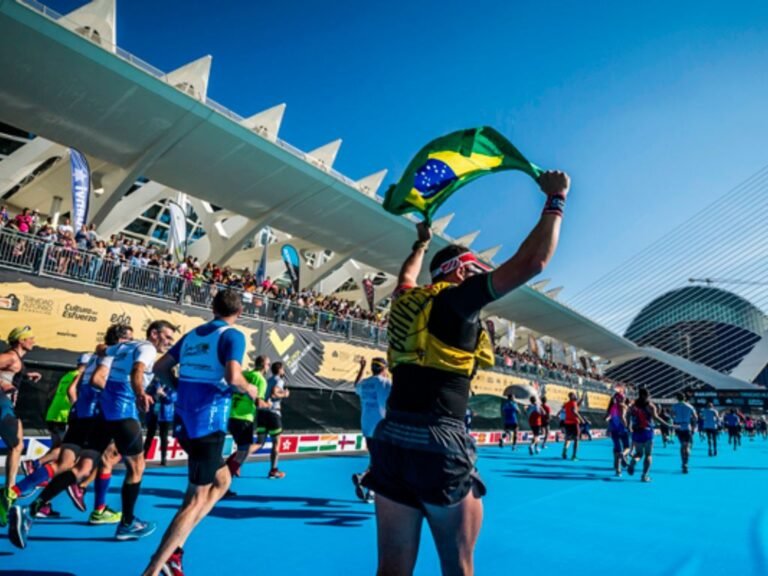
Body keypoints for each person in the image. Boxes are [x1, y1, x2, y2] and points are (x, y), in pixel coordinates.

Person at [363, 169, 569, 576]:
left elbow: (406, 278)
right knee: (458, 566)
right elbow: (532, 262)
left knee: (390, 570)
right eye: (477, 271)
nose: (482, 279)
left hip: (392, 441)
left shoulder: (409, 302)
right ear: (460, 271)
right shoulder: (457, 303)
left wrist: (420, 245)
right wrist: (556, 199)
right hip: (439, 445)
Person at [142, 289, 262, 576]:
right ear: (240, 312)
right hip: (207, 424)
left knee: (222, 480)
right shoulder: (233, 335)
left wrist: (179, 388)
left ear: (212, 307)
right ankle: (154, 568)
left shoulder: (194, 334)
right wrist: (251, 388)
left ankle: (175, 552)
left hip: (186, 420)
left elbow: (160, 368)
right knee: (195, 499)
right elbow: (233, 377)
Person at [0, 326, 42, 527]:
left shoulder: (17, 361)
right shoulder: (11, 356)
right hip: (2, 403)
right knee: (16, 445)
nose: (33, 340)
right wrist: (2, 385)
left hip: (8, 406)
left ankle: (9, 488)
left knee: (17, 446)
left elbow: (11, 373)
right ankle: (8, 489)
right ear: (20, 340)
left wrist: (27, 375)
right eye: (29, 338)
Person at [224, 355, 271, 493]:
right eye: (268, 365)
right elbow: (258, 402)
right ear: (263, 366)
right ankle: (223, 483)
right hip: (244, 417)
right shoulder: (260, 380)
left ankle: (225, 476)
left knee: (241, 451)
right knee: (243, 453)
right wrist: (268, 405)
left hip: (231, 415)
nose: (268, 367)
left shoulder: (244, 374)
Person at [352, 357, 391, 503]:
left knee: (375, 459)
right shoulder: (385, 383)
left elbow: (356, 385)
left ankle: (371, 491)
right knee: (382, 461)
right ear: (384, 368)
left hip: (367, 426)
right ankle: (364, 479)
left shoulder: (366, 383)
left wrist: (362, 368)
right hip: (381, 427)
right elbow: (386, 405)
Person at [627, 388, 672, 483]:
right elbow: (656, 418)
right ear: (645, 395)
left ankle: (634, 461)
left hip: (636, 431)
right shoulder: (650, 406)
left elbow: (628, 415)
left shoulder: (633, 405)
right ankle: (644, 475)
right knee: (648, 455)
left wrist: (628, 425)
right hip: (647, 431)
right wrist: (667, 425)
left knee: (638, 453)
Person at [260, 361, 290, 479]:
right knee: (276, 443)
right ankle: (273, 471)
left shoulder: (268, 380)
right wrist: (285, 394)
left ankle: (235, 462)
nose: (284, 371)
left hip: (262, 413)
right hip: (273, 414)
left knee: (258, 444)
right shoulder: (279, 380)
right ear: (280, 369)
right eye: (283, 369)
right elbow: (274, 394)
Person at [143, 381, 177, 466]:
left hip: (165, 415)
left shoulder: (172, 385)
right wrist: (156, 393)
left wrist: (163, 394)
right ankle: (143, 456)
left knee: (163, 437)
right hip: (153, 413)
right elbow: (149, 396)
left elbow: (171, 399)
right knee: (149, 435)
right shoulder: (155, 384)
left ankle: (163, 458)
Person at [671, 392, 697, 474]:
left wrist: (675, 419)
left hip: (678, 426)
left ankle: (683, 462)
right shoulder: (689, 406)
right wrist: (693, 426)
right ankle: (686, 463)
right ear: (684, 397)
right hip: (686, 426)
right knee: (688, 446)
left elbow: (672, 415)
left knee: (682, 445)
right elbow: (695, 417)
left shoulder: (675, 406)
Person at [605, 392, 630, 477]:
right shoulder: (623, 406)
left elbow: (609, 418)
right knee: (627, 447)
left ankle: (618, 470)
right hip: (622, 429)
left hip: (614, 430)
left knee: (616, 450)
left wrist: (608, 429)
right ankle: (623, 455)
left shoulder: (612, 406)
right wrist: (626, 425)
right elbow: (622, 417)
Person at [561, 392, 581, 461]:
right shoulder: (574, 403)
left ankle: (564, 452)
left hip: (567, 423)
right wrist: (581, 419)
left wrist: (580, 400)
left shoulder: (567, 404)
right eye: (575, 395)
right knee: (576, 440)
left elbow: (576, 406)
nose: (576, 396)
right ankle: (574, 456)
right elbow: (575, 411)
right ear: (572, 396)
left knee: (568, 439)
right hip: (574, 423)